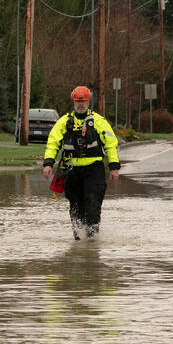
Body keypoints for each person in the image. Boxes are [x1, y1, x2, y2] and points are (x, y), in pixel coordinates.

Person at [42, 86, 120, 240]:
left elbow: (111, 144)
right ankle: (78, 238)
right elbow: (52, 143)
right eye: (78, 101)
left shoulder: (99, 121)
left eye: (83, 101)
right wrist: (48, 164)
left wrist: (114, 166)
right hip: (72, 171)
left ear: (88, 101)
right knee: (75, 206)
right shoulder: (64, 122)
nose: (80, 104)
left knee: (92, 202)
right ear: (73, 101)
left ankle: (92, 239)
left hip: (94, 170)